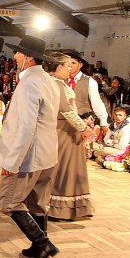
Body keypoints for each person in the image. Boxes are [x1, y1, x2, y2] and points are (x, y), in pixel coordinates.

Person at [0, 36, 60, 258]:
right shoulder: (49, 80)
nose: (15, 56)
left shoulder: (29, 83)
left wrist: (12, 162)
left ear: (29, 58)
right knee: (37, 203)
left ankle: (43, 243)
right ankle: (37, 247)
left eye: (19, 53)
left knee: (9, 202)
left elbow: (25, 127)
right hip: (47, 154)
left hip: (29, 156)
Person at [46, 53, 95, 221]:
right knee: (65, 169)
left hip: (66, 128)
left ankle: (72, 207)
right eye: (67, 65)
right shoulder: (57, 83)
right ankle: (60, 208)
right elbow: (65, 109)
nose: (70, 69)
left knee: (70, 168)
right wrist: (83, 127)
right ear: (59, 66)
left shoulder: (56, 82)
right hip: (65, 130)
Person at [64, 51, 109, 139]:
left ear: (80, 65)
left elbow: (96, 102)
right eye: (68, 63)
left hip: (83, 120)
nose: (70, 65)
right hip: (65, 121)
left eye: (73, 63)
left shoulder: (89, 81)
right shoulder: (62, 80)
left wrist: (103, 121)